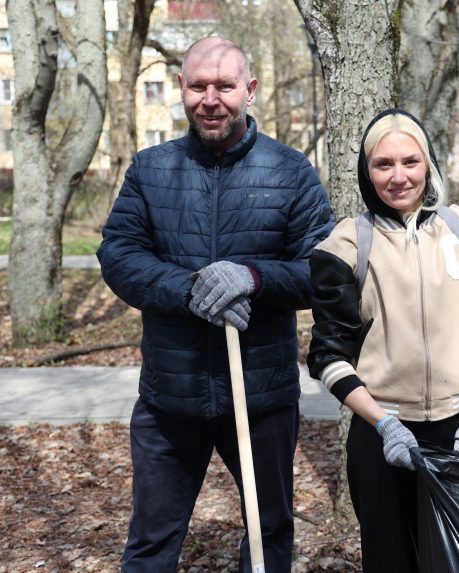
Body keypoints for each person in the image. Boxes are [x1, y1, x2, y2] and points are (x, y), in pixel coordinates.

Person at [97, 36, 334, 572]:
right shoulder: (151, 169)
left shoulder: (291, 171)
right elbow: (119, 255)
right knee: (151, 542)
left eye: (224, 86)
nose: (211, 98)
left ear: (249, 90)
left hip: (261, 399)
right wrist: (190, 291)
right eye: (198, 85)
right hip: (169, 397)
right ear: (180, 89)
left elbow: (322, 273)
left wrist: (252, 277)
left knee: (268, 534)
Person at [307, 108, 459, 572]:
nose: (399, 177)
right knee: (390, 563)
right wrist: (384, 424)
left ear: (429, 164)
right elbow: (326, 355)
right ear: (367, 172)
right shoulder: (345, 247)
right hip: (382, 438)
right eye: (384, 164)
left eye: (410, 162)